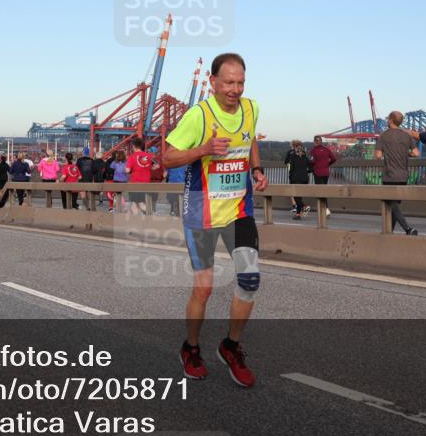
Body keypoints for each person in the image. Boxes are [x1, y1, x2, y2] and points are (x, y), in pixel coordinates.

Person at [163, 52, 268, 388]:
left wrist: (257, 169)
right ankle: (191, 348)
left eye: (240, 82)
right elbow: (166, 157)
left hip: (239, 210)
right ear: (213, 83)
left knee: (249, 280)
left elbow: (249, 140)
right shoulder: (199, 115)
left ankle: (231, 346)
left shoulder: (251, 109)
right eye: (228, 83)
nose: (235, 89)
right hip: (202, 213)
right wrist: (204, 149)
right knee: (204, 288)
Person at [375, 111, 419, 235]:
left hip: (389, 175)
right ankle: (389, 231)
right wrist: (406, 153)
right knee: (394, 206)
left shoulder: (383, 135)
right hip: (404, 176)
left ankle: (408, 229)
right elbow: (416, 153)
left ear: (390, 120)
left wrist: (383, 152)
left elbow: (378, 155)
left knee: (392, 204)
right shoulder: (407, 135)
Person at [125, 138, 153, 214]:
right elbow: (155, 166)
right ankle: (148, 215)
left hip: (135, 182)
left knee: (134, 203)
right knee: (141, 202)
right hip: (146, 182)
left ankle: (137, 221)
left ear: (133, 146)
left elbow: (127, 170)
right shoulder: (149, 156)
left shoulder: (132, 156)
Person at [284, 140, 312, 219]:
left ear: (293, 145)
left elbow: (290, 167)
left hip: (295, 178)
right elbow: (311, 167)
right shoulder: (304, 155)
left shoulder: (292, 155)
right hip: (305, 178)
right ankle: (298, 214)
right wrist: (306, 172)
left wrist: (291, 175)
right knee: (299, 196)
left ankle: (304, 207)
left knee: (296, 196)